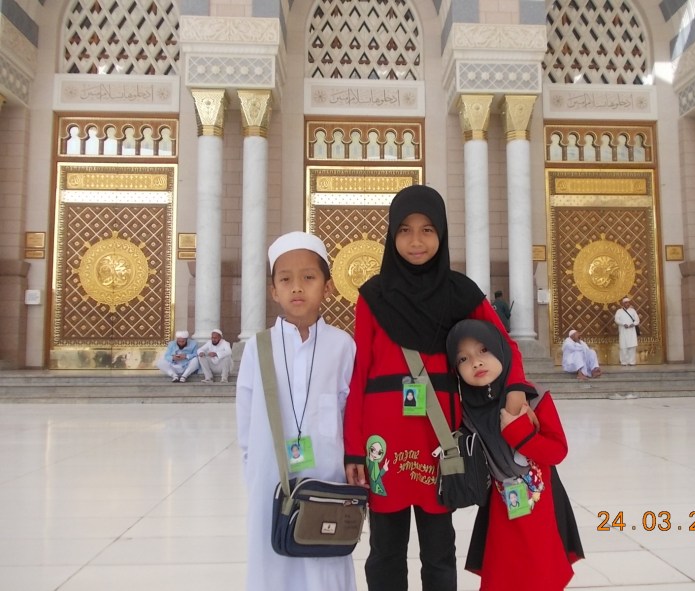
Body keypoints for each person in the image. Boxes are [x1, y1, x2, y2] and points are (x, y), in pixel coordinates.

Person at [343, 185, 529, 591]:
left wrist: (516, 387)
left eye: (427, 230)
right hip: (384, 444)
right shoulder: (373, 296)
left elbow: (505, 345)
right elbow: (359, 375)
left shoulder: (460, 293)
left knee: (440, 550)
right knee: (385, 551)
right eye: (405, 230)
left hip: (439, 440)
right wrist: (354, 448)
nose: (416, 241)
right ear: (392, 234)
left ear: (441, 234)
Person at [235, 231, 357, 591]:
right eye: (286, 279)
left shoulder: (342, 345)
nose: (297, 287)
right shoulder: (258, 347)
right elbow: (245, 417)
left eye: (308, 277)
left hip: (327, 476)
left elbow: (349, 412)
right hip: (271, 476)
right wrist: (254, 473)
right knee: (272, 560)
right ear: (274, 291)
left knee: (324, 558)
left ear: (327, 286)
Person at [446, 319, 582, 590]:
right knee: (503, 572)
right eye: (463, 358)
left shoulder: (534, 398)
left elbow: (557, 451)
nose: (476, 362)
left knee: (539, 572)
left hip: (541, 506)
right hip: (501, 507)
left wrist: (519, 432)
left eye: (483, 350)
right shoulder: (466, 411)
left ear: (499, 349)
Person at [614, 297, 639, 366]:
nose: (627, 304)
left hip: (631, 331)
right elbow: (616, 320)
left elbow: (637, 320)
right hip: (623, 331)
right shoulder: (619, 311)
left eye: (628, 302)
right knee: (623, 347)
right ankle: (624, 362)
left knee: (632, 347)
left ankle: (632, 362)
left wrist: (633, 324)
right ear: (623, 304)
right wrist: (623, 324)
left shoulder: (633, 311)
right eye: (626, 303)